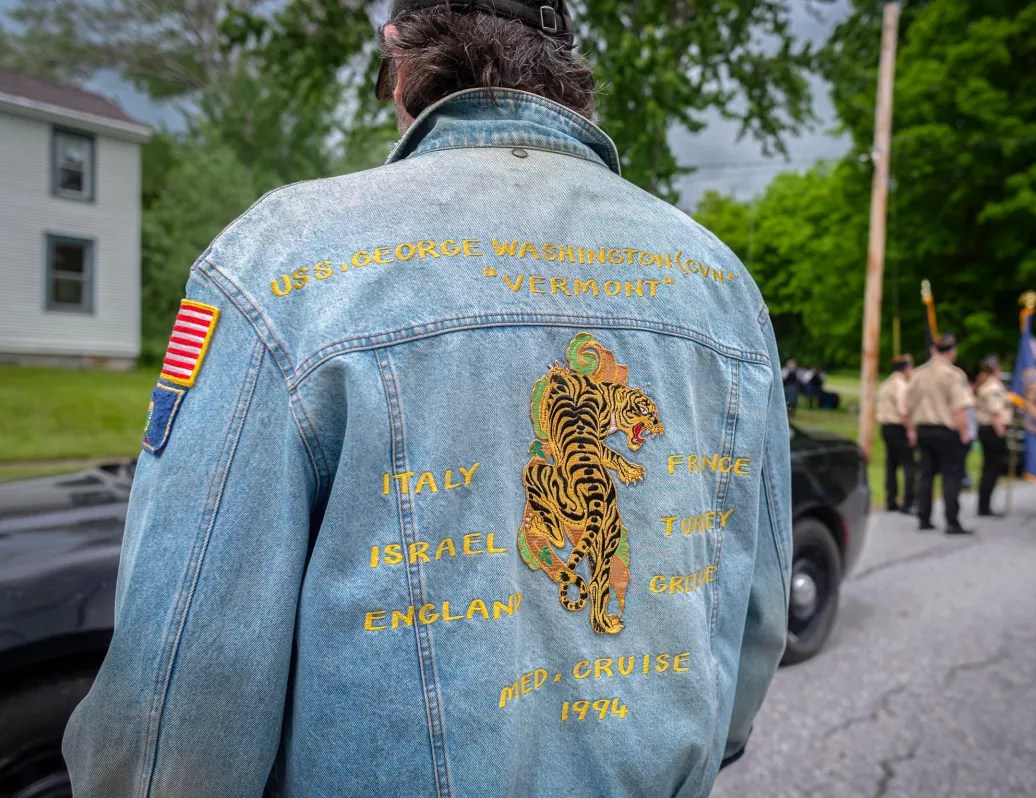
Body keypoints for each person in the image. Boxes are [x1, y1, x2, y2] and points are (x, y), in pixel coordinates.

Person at [62, 3, 793, 795]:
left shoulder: (283, 262)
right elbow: (753, 615)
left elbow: (176, 701)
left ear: (400, 58)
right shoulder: (719, 283)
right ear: (567, 67)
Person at [905, 333, 975, 535]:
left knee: (926, 475)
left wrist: (911, 430)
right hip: (946, 431)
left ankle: (924, 517)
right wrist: (964, 433)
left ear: (933, 350)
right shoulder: (954, 375)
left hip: (923, 430)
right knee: (951, 476)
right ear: (952, 352)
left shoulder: (918, 373)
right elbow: (959, 409)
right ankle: (952, 521)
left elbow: (907, 408)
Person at [876, 354, 916, 513]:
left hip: (886, 427)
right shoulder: (901, 386)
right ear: (906, 368)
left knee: (891, 464)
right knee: (909, 465)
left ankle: (891, 499)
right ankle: (908, 502)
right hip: (899, 428)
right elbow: (904, 411)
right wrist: (911, 431)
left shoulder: (885, 383)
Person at [972, 356, 1010, 516]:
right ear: (996, 369)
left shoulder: (985, 384)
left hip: (986, 429)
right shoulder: (993, 387)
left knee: (989, 467)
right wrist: (1001, 431)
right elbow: (995, 412)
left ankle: (984, 505)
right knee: (992, 468)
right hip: (993, 429)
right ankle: (984, 506)